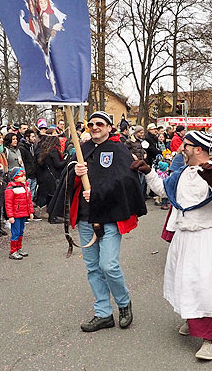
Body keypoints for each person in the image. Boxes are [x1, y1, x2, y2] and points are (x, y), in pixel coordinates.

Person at [134, 130, 212, 361]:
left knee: (205, 285)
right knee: (183, 280)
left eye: (185, 145)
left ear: (197, 149)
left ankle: (210, 339)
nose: (181, 148)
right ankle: (192, 320)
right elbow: (165, 190)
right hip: (183, 235)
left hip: (204, 236)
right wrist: (149, 172)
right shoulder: (182, 172)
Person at [48, 111, 147, 333]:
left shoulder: (120, 150)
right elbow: (66, 182)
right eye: (91, 124)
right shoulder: (82, 150)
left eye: (99, 124)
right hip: (85, 218)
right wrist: (75, 172)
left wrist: (99, 193)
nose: (94, 127)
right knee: (93, 267)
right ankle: (103, 313)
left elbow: (125, 182)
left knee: (108, 265)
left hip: (110, 217)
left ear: (109, 127)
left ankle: (123, 303)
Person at [5, 167, 34, 260]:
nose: (24, 178)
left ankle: (19, 248)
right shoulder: (11, 188)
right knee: (15, 233)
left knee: (21, 232)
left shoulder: (26, 187)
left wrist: (31, 212)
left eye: (24, 176)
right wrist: (10, 216)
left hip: (23, 213)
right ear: (15, 177)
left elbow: (29, 201)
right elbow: (8, 204)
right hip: (16, 215)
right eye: (21, 176)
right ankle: (13, 251)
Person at [36, 135, 66, 224]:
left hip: (46, 175)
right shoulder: (54, 150)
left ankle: (51, 216)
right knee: (53, 197)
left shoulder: (45, 151)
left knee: (50, 197)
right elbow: (58, 164)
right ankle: (53, 217)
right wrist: (66, 160)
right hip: (52, 176)